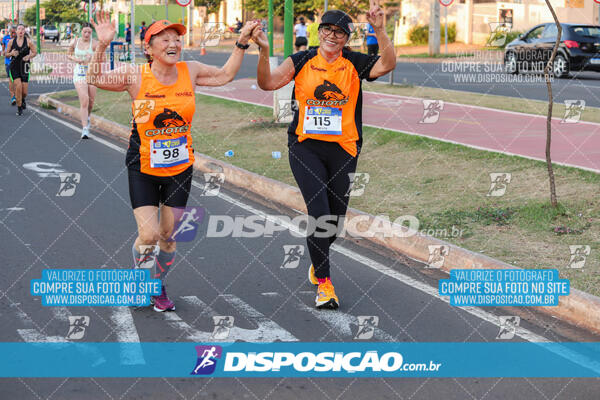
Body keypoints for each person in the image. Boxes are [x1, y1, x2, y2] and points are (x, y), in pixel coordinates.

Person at [88, 13, 261, 312]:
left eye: (177, 39)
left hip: (180, 168)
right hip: (142, 165)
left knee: (168, 238)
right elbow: (95, 79)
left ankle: (158, 282)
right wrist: (102, 46)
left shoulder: (189, 70)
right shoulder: (135, 76)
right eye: (165, 39)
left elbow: (224, 76)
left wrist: (242, 43)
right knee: (149, 234)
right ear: (149, 49)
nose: (174, 43)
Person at [253, 4, 396, 309]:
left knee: (335, 222)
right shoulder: (302, 59)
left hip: (344, 149)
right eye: (328, 29)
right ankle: (325, 283)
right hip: (306, 147)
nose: (333, 36)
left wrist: (380, 29)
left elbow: (387, 64)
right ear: (320, 32)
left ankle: (317, 260)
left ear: (347, 38)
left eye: (340, 32)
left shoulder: (355, 63)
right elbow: (267, 83)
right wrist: (264, 51)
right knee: (319, 214)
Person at [67, 22, 97, 139]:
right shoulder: (74, 41)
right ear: (81, 32)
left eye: (89, 32)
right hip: (79, 74)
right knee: (84, 100)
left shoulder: (94, 44)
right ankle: (85, 129)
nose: (87, 34)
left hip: (92, 74)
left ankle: (87, 117)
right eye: (85, 31)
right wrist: (76, 59)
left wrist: (93, 58)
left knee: (91, 103)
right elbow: (68, 54)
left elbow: (102, 58)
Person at [6, 24, 36, 116]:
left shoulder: (28, 42)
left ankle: (22, 99)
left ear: (24, 31)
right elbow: (5, 54)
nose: (21, 31)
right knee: (18, 87)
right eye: (19, 29)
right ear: (16, 31)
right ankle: (19, 108)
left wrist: (29, 56)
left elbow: (35, 52)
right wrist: (11, 53)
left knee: (24, 92)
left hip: (25, 66)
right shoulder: (11, 42)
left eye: (22, 29)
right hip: (14, 66)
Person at [2, 26, 16, 105]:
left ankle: (18, 95)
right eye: (12, 32)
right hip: (8, 62)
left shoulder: (18, 39)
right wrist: (3, 51)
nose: (13, 34)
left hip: (17, 62)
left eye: (14, 32)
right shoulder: (6, 38)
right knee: (11, 80)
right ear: (9, 32)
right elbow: (3, 46)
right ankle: (13, 97)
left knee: (17, 80)